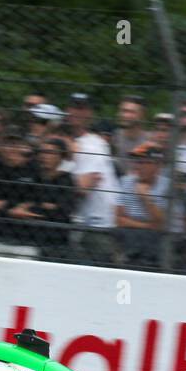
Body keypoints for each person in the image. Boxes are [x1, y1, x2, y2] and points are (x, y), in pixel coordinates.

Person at [64, 92, 119, 263]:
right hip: (81, 221)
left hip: (98, 223)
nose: (76, 112)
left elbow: (83, 186)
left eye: (81, 108)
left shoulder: (94, 145)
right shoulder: (66, 141)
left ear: (90, 114)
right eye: (73, 107)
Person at [0, 132, 41, 254]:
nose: (12, 148)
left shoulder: (33, 170)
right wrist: (12, 207)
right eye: (8, 144)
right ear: (1, 147)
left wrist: (2, 204)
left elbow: (35, 202)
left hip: (27, 236)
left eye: (16, 144)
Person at [114, 143, 169, 266]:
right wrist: (147, 225)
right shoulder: (126, 181)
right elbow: (119, 219)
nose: (137, 166)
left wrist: (146, 198)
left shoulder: (167, 187)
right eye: (136, 162)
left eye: (142, 162)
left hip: (157, 243)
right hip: (130, 238)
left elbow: (162, 225)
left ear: (157, 165)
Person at [23, 136, 75, 260]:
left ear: (60, 157)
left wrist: (35, 206)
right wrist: (45, 206)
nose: (44, 156)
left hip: (56, 241)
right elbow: (25, 204)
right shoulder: (34, 178)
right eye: (42, 152)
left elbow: (63, 211)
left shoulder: (66, 180)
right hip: (32, 238)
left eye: (50, 152)